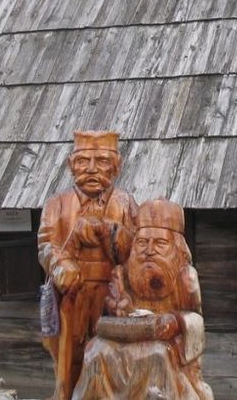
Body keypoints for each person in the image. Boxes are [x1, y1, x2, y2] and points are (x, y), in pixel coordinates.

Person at [72, 199, 213, 400]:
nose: (149, 250)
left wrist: (176, 322)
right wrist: (121, 308)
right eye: (142, 242)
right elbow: (112, 312)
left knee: (156, 353)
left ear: (177, 248)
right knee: (95, 349)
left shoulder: (185, 277)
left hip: (166, 344)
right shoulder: (123, 274)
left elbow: (196, 319)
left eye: (160, 243)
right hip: (127, 339)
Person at [38, 131, 138, 400]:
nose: (92, 169)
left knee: (111, 353)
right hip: (72, 294)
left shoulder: (125, 203)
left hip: (111, 295)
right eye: (83, 161)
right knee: (70, 354)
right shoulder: (56, 204)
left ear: (116, 166)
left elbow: (134, 248)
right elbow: (46, 245)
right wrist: (61, 265)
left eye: (102, 161)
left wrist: (106, 229)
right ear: (71, 165)